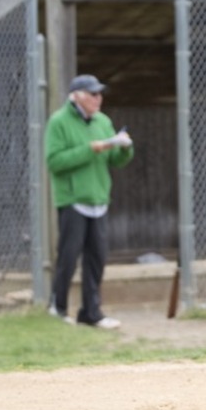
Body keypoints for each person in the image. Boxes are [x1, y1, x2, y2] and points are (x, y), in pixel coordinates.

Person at [44, 73, 133, 329]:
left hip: (99, 199)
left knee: (97, 258)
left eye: (99, 93)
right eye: (93, 94)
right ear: (77, 97)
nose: (98, 98)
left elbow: (116, 160)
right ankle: (58, 308)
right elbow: (55, 162)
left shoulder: (103, 121)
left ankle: (91, 313)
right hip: (72, 199)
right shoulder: (58, 122)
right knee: (69, 256)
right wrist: (91, 149)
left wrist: (124, 148)